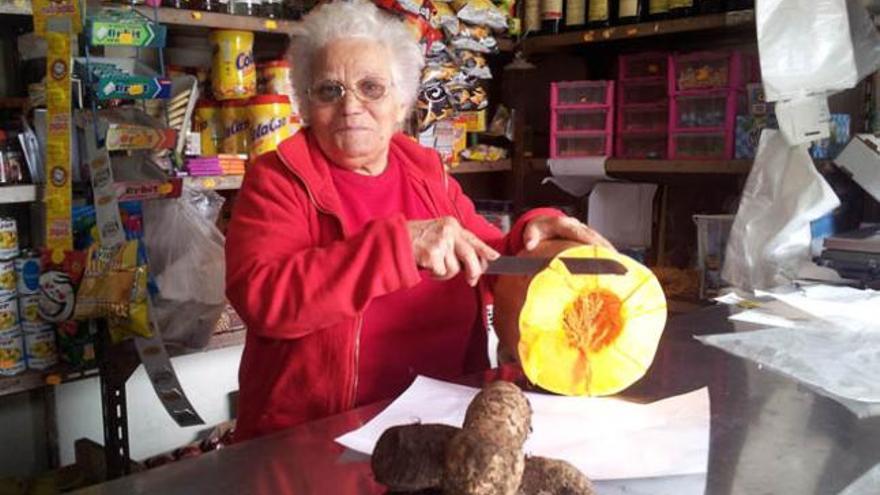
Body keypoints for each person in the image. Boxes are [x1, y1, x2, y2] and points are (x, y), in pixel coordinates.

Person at [225, 0, 612, 443]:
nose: (351, 106)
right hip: (322, 436)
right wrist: (395, 247)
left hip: (441, 423)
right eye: (330, 90)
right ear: (307, 105)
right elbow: (263, 299)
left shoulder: (424, 172)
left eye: (371, 88)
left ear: (402, 101)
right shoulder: (278, 178)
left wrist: (537, 229)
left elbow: (491, 260)